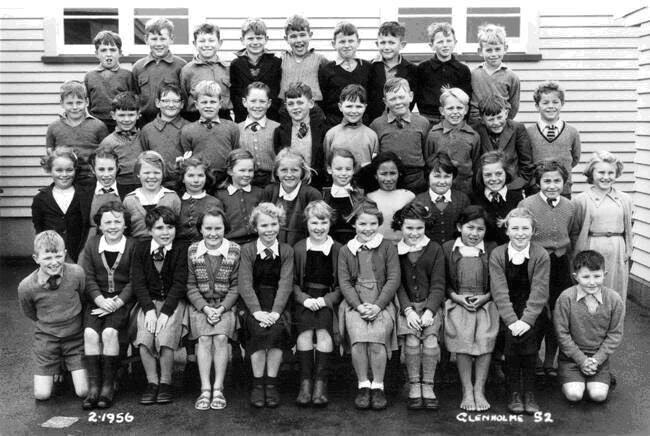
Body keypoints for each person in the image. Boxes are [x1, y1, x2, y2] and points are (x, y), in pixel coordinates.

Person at [519, 159, 579, 375]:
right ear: (538, 183)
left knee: (558, 313)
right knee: (536, 312)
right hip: (535, 264)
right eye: (547, 181)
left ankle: (549, 361)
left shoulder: (570, 206)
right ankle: (533, 358)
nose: (552, 185)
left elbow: (572, 233)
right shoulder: (527, 205)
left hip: (561, 265)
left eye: (557, 181)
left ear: (564, 182)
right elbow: (521, 236)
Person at [338, 199, 400, 410]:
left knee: (375, 341)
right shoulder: (346, 250)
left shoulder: (388, 247)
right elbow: (345, 282)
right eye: (362, 224)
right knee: (358, 339)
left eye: (373, 224)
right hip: (355, 302)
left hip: (381, 301)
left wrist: (378, 305)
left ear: (379, 224)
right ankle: (363, 384)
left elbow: (393, 279)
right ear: (354, 224)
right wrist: (358, 306)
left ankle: (378, 386)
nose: (368, 229)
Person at [490, 208, 549, 415]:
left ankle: (529, 393)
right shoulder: (498, 254)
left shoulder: (540, 254)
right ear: (507, 230)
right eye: (515, 228)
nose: (520, 233)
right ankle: (514, 392)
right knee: (512, 346)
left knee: (530, 345)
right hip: (507, 309)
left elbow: (540, 291)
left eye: (525, 228)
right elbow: (499, 291)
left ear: (533, 231)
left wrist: (526, 320)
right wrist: (512, 320)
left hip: (532, 310)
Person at [18, 230, 88, 401]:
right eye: (47, 258)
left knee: (83, 392)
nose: (54, 262)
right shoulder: (27, 286)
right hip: (47, 340)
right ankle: (56, 365)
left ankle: (67, 365)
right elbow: (30, 312)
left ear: (64, 254)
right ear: (36, 258)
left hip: (75, 338)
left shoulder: (77, 273)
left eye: (58, 256)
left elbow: (84, 297)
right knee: (42, 395)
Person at [78, 201, 135, 409]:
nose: (113, 226)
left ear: (125, 225)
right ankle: (94, 386)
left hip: (122, 302)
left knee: (110, 332)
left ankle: (108, 386)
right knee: (91, 334)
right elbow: (88, 276)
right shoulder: (92, 244)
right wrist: (99, 299)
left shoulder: (132, 245)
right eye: (107, 222)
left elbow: (134, 279)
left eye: (117, 221)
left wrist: (117, 302)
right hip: (97, 301)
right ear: (100, 226)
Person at [238, 202, 294, 408]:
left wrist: (276, 313)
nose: (269, 230)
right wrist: (257, 312)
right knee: (258, 333)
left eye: (273, 224)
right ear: (255, 228)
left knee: (276, 332)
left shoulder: (286, 251)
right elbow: (245, 284)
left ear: (280, 224)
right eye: (264, 226)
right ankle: (257, 384)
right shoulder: (248, 250)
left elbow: (285, 284)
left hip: (278, 304)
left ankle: (271, 384)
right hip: (254, 303)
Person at [131, 206, 189, 405]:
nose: (165, 232)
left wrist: (165, 312)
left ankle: (165, 382)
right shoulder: (140, 249)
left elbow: (180, 283)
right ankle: (152, 382)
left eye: (170, 227)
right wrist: (148, 310)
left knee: (165, 335)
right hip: (148, 303)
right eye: (159, 228)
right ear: (149, 231)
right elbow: (138, 282)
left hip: (173, 302)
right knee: (145, 336)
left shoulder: (181, 249)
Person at [443, 205, 498, 411]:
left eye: (480, 229)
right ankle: (467, 389)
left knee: (484, 341)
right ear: (459, 226)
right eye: (470, 227)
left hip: (485, 302)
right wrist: (456, 297)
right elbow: (443, 281)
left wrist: (486, 297)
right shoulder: (448, 248)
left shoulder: (492, 249)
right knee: (463, 341)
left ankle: (479, 389)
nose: (474, 233)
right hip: (458, 301)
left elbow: (498, 281)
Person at [186, 207, 241, 410]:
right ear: (200, 229)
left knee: (219, 338)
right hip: (200, 306)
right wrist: (205, 308)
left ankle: (218, 388)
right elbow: (190, 285)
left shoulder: (234, 250)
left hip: (226, 305)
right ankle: (205, 389)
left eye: (218, 228)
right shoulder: (193, 251)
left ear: (225, 228)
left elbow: (236, 286)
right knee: (203, 339)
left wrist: (222, 308)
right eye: (208, 228)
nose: (213, 233)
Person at [393, 201, 445, 410]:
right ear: (401, 226)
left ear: (426, 227)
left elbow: (439, 285)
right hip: (407, 308)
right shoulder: (396, 250)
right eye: (409, 228)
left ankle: (428, 385)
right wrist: (408, 310)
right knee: (412, 343)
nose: (414, 233)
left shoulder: (435, 249)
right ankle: (414, 384)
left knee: (431, 341)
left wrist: (430, 311)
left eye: (419, 228)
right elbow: (397, 285)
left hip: (430, 306)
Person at [554, 250, 624, 403]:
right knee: (575, 395)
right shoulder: (566, 298)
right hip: (571, 359)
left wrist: (596, 360)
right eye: (585, 277)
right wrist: (581, 360)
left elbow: (615, 334)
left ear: (604, 274)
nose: (592, 282)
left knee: (598, 396)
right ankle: (571, 377)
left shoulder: (614, 299)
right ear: (575, 276)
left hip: (599, 359)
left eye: (597, 276)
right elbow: (562, 333)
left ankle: (598, 377)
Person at [293, 201, 342, 407]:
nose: (319, 227)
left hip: (327, 299)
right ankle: (305, 382)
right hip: (305, 298)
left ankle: (321, 383)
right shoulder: (298, 248)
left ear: (330, 223)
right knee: (304, 333)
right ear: (307, 223)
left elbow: (342, 284)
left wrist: (326, 300)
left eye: (323, 222)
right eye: (314, 222)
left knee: (323, 331)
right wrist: (304, 299)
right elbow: (292, 282)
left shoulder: (338, 249)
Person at [573, 151, 633, 307]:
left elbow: (628, 228)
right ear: (592, 173)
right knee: (591, 288)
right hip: (592, 246)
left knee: (615, 290)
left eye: (610, 172)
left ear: (616, 174)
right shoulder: (581, 200)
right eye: (601, 172)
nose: (606, 177)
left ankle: (614, 326)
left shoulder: (625, 199)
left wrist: (627, 250)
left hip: (617, 248)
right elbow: (576, 230)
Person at [370, 78, 430, 193]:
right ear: (385, 102)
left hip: (416, 181)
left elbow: (426, 153)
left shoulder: (423, 123)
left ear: (411, 96)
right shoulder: (377, 125)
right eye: (392, 99)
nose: (398, 102)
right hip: (389, 182)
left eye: (401, 97)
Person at [32, 147, 92, 262]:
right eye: (59, 170)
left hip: (80, 254)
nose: (64, 175)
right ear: (50, 170)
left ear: (75, 170)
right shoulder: (41, 199)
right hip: (53, 256)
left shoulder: (85, 195)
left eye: (69, 170)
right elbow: (39, 230)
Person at [46, 80, 109, 186]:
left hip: (92, 180)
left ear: (87, 102)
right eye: (70, 103)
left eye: (79, 103)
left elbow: (105, 155)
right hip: (65, 179)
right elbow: (51, 155)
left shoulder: (99, 126)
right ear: (62, 104)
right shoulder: (53, 127)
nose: (75, 107)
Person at [527, 81, 581, 198]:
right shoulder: (528, 132)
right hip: (535, 190)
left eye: (555, 102)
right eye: (545, 102)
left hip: (563, 189)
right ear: (537, 106)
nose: (551, 106)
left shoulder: (572, 132)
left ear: (562, 104)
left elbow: (575, 159)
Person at [180, 80, 239, 182]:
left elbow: (235, 155)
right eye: (204, 102)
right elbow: (189, 160)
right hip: (200, 180)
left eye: (212, 102)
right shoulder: (188, 130)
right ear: (196, 105)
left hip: (225, 181)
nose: (208, 106)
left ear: (220, 104)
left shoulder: (232, 127)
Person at [425, 87, 480, 196]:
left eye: (459, 108)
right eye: (450, 108)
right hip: (439, 188)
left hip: (465, 190)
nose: (455, 112)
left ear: (466, 110)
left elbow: (475, 163)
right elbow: (428, 160)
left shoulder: (473, 136)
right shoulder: (433, 135)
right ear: (442, 111)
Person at [415, 22, 472, 126]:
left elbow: (467, 100)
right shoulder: (423, 68)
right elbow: (416, 96)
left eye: (449, 41)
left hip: (454, 119)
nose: (445, 45)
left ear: (455, 42)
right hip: (428, 119)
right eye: (440, 42)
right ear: (431, 45)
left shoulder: (463, 70)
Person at [473, 94, 533, 192]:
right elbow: (475, 165)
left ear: (506, 113)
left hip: (513, 187)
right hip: (485, 188)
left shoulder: (518, 129)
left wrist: (514, 186)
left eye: (499, 117)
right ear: (482, 119)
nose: (496, 123)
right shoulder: (476, 132)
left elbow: (527, 164)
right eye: (491, 120)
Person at [261, 149, 322, 246]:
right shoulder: (270, 192)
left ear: (302, 172)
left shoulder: (312, 194)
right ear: (276, 172)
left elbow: (319, 226)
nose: (289, 175)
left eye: (294, 170)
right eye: (284, 170)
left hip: (303, 249)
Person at [132, 17, 186, 125]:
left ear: (171, 39)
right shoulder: (138, 67)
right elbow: (135, 96)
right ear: (146, 39)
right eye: (154, 39)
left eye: (163, 39)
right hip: (145, 122)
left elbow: (184, 97)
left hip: (174, 122)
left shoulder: (181, 66)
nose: (158, 44)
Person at [273, 81, 327, 188]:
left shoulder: (322, 130)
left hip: (316, 185)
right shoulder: (280, 132)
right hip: (289, 185)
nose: (295, 107)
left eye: (300, 103)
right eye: (291, 104)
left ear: (311, 103)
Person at [319, 21, 372, 127]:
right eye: (342, 41)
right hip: (334, 125)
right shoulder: (326, 70)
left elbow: (372, 98)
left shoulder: (367, 67)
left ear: (358, 42)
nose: (347, 45)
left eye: (351, 41)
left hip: (363, 125)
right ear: (334, 44)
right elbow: (322, 101)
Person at [279, 14, 329, 122]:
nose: (298, 40)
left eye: (302, 35)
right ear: (286, 39)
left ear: (310, 35)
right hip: (288, 109)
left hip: (313, 110)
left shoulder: (320, 60)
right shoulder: (282, 60)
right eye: (293, 36)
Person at [230, 18, 282, 123]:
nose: (255, 42)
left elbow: (277, 91)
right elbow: (235, 94)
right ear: (242, 40)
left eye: (259, 38)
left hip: (270, 117)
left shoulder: (276, 63)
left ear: (266, 39)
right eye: (250, 38)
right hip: (244, 118)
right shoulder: (236, 64)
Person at [139, 84, 189, 189]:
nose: (171, 105)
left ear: (182, 104)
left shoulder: (190, 128)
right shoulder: (147, 130)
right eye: (166, 101)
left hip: (185, 185)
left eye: (176, 101)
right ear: (158, 103)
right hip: (155, 185)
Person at [122, 151, 181, 240]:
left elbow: (177, 228)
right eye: (146, 173)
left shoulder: (172, 198)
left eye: (157, 173)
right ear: (138, 174)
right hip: (137, 249)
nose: (152, 176)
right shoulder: (129, 200)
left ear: (163, 174)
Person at [468, 24, 520, 124]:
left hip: (500, 124)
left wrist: (502, 121)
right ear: (480, 51)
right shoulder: (473, 74)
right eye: (488, 50)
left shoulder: (511, 77)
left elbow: (514, 106)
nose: (493, 54)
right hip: (476, 124)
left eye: (497, 49)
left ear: (505, 49)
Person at [84, 30, 135, 132]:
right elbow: (88, 103)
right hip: (96, 124)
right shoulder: (89, 76)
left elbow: (133, 102)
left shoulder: (127, 75)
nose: (108, 54)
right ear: (96, 54)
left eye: (112, 50)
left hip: (121, 125)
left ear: (120, 53)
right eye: (103, 50)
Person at [415, 151, 470, 246]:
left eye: (447, 176)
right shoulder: (419, 201)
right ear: (427, 176)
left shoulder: (462, 200)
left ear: (453, 177)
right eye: (437, 176)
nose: (442, 181)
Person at [366, 21, 417, 122]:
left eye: (391, 42)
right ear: (377, 44)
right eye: (383, 42)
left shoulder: (412, 70)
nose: (386, 47)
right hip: (374, 122)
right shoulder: (369, 67)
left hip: (402, 122)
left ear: (402, 45)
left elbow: (413, 98)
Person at [470, 151, 523, 245]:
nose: (494, 179)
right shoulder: (473, 199)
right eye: (488, 175)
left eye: (498, 174)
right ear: (481, 176)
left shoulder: (518, 198)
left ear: (506, 173)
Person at [180, 23, 231, 121]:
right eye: (202, 41)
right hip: (195, 118)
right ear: (194, 43)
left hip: (223, 118)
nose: (206, 45)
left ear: (220, 43)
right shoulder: (187, 70)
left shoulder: (227, 69)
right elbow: (184, 97)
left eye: (211, 40)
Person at [98, 91, 143, 198]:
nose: (126, 120)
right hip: (120, 187)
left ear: (138, 115)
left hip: (144, 184)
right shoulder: (108, 142)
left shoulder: (144, 137)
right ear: (113, 115)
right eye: (121, 115)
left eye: (131, 115)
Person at [215, 149, 264, 245]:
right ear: (230, 171)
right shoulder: (220, 195)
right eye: (242, 170)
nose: (247, 174)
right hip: (231, 244)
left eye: (250, 170)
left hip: (257, 243)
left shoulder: (260, 193)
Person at [323, 84, 378, 169]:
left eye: (359, 106)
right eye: (349, 106)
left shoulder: (372, 136)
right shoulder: (331, 135)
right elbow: (327, 165)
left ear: (365, 107)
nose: (354, 111)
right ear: (340, 107)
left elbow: (374, 166)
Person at [366, 152, 415, 243]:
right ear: (375, 175)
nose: (388, 179)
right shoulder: (370, 197)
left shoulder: (408, 196)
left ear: (399, 173)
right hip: (378, 248)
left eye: (392, 173)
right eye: (383, 174)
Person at [238, 82, 280, 187]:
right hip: (246, 182)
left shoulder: (277, 128)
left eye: (262, 101)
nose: (257, 106)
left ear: (269, 103)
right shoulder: (236, 129)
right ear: (244, 102)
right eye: (253, 101)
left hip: (273, 182)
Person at [175, 157, 222, 244]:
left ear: (206, 177)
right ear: (183, 179)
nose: (196, 180)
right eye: (191, 175)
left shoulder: (214, 202)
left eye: (200, 175)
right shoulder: (176, 201)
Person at [322, 149, 365, 244]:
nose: (344, 173)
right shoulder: (323, 195)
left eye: (348, 169)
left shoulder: (359, 195)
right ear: (329, 169)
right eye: (339, 169)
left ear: (353, 170)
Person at [88, 149, 121, 236]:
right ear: (92, 170)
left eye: (110, 169)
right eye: (101, 169)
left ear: (117, 168)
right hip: (92, 242)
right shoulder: (84, 193)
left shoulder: (127, 192)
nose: (106, 174)